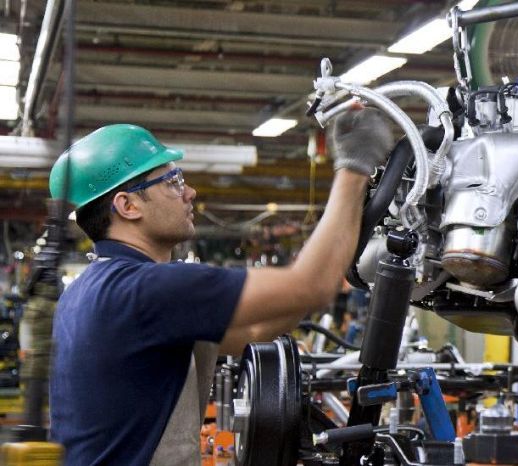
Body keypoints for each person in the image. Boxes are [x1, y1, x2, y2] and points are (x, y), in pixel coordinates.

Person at [47, 109, 393, 465]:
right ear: (128, 205)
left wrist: (296, 294)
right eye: (173, 182)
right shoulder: (148, 288)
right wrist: (354, 167)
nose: (190, 192)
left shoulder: (86, 290)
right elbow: (311, 285)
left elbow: (252, 330)